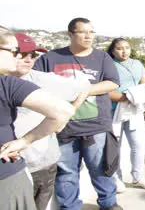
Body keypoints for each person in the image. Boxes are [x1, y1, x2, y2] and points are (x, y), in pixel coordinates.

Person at [33, 18, 123, 210]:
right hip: (63, 127)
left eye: (91, 32)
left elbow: (113, 83)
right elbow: (35, 84)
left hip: (96, 125)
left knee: (101, 168)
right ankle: (70, 207)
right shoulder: (50, 58)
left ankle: (108, 203)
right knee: (66, 173)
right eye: (83, 32)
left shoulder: (102, 58)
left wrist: (82, 90)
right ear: (70, 34)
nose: (88, 36)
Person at [11, 33, 90, 210]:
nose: (28, 59)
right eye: (22, 54)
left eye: (33, 55)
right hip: (10, 167)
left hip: (41, 163)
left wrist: (66, 116)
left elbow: (84, 86)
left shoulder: (43, 80)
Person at [107, 38, 145, 192]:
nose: (124, 51)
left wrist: (138, 93)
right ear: (113, 51)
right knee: (115, 146)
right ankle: (116, 179)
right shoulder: (108, 65)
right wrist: (128, 96)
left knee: (138, 144)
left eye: (127, 47)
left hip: (135, 109)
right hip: (114, 110)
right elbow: (106, 91)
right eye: (120, 48)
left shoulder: (137, 64)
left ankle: (138, 177)